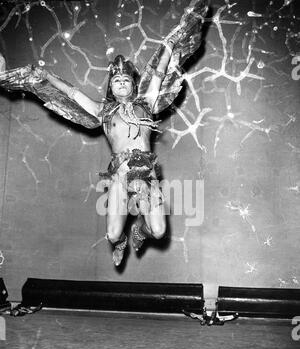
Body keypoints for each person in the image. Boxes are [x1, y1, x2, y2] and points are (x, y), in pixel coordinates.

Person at [0, 0, 208, 266]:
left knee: (158, 231)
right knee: (111, 234)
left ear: (133, 85)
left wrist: (168, 48)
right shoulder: (102, 112)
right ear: (111, 87)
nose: (121, 83)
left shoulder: (148, 104)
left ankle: (138, 231)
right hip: (120, 175)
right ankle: (121, 240)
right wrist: (47, 76)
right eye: (116, 81)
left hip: (146, 174)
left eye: (126, 80)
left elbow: (157, 72)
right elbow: (71, 93)